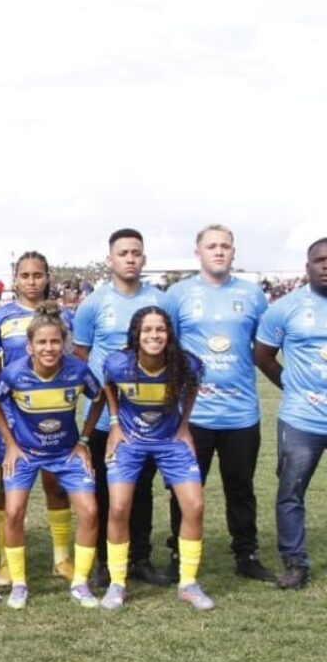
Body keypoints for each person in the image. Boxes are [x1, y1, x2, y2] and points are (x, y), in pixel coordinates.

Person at [162, 225, 275, 582]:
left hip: (240, 413)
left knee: (240, 488)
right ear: (198, 253)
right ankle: (180, 556)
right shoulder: (178, 295)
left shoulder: (252, 294)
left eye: (225, 246)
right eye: (211, 246)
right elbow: (168, 350)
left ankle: (246, 554)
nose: (219, 251)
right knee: (185, 488)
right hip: (193, 416)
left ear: (233, 252)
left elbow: (263, 346)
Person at [0, 304, 104, 609]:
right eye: (41, 342)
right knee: (12, 512)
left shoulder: (77, 370)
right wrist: (11, 444)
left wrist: (83, 440)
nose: (49, 348)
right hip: (26, 454)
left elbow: (100, 396)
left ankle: (80, 582)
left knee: (90, 512)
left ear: (63, 343)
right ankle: (19, 583)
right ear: (30, 346)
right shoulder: (14, 374)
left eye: (55, 341)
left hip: (67, 454)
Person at [73, 229, 169, 588]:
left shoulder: (161, 300)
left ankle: (140, 557)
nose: (130, 258)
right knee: (102, 489)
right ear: (110, 259)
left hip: (148, 417)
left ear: (144, 258)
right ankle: (103, 560)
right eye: (123, 253)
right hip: (102, 418)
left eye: (136, 253)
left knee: (141, 487)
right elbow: (82, 356)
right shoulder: (94, 304)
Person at [100, 306, 213, 611]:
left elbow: (192, 389)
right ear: (137, 334)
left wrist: (184, 425)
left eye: (160, 329)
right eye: (147, 330)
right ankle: (117, 584)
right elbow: (108, 386)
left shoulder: (185, 364)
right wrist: (114, 425)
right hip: (130, 440)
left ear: (169, 333)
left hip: (169, 440)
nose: (154, 335)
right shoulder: (118, 363)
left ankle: (188, 584)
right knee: (119, 506)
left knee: (195, 505)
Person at [0, 252, 75, 583]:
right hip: (13, 418)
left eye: (38, 275)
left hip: (54, 414)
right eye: (25, 275)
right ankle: (6, 561)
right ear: (15, 280)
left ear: (48, 277)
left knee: (56, 484)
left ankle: (61, 558)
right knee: (8, 489)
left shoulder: (65, 316)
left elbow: (74, 364)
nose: (32, 281)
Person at [254, 237, 327, 590]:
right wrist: (292, 386)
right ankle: (295, 562)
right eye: (320, 259)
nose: (326, 265)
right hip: (302, 418)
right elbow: (263, 354)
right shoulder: (286, 308)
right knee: (291, 490)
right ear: (307, 266)